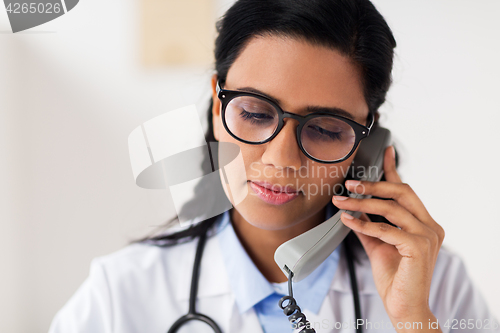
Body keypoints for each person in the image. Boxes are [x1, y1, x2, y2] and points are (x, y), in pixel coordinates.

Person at [48, 0, 500, 332]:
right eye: (255, 113)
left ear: (367, 142)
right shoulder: (118, 295)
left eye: (325, 128)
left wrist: (413, 322)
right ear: (215, 105)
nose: (281, 161)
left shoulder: (435, 285)